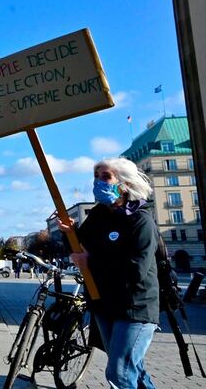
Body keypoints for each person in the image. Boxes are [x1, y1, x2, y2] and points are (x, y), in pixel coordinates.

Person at [63, 157, 159, 389]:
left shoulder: (141, 219)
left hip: (135, 307)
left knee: (119, 374)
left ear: (124, 183)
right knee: (133, 369)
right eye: (96, 177)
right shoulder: (98, 215)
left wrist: (91, 262)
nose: (98, 182)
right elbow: (81, 249)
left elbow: (136, 269)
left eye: (105, 177)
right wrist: (70, 233)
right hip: (104, 305)